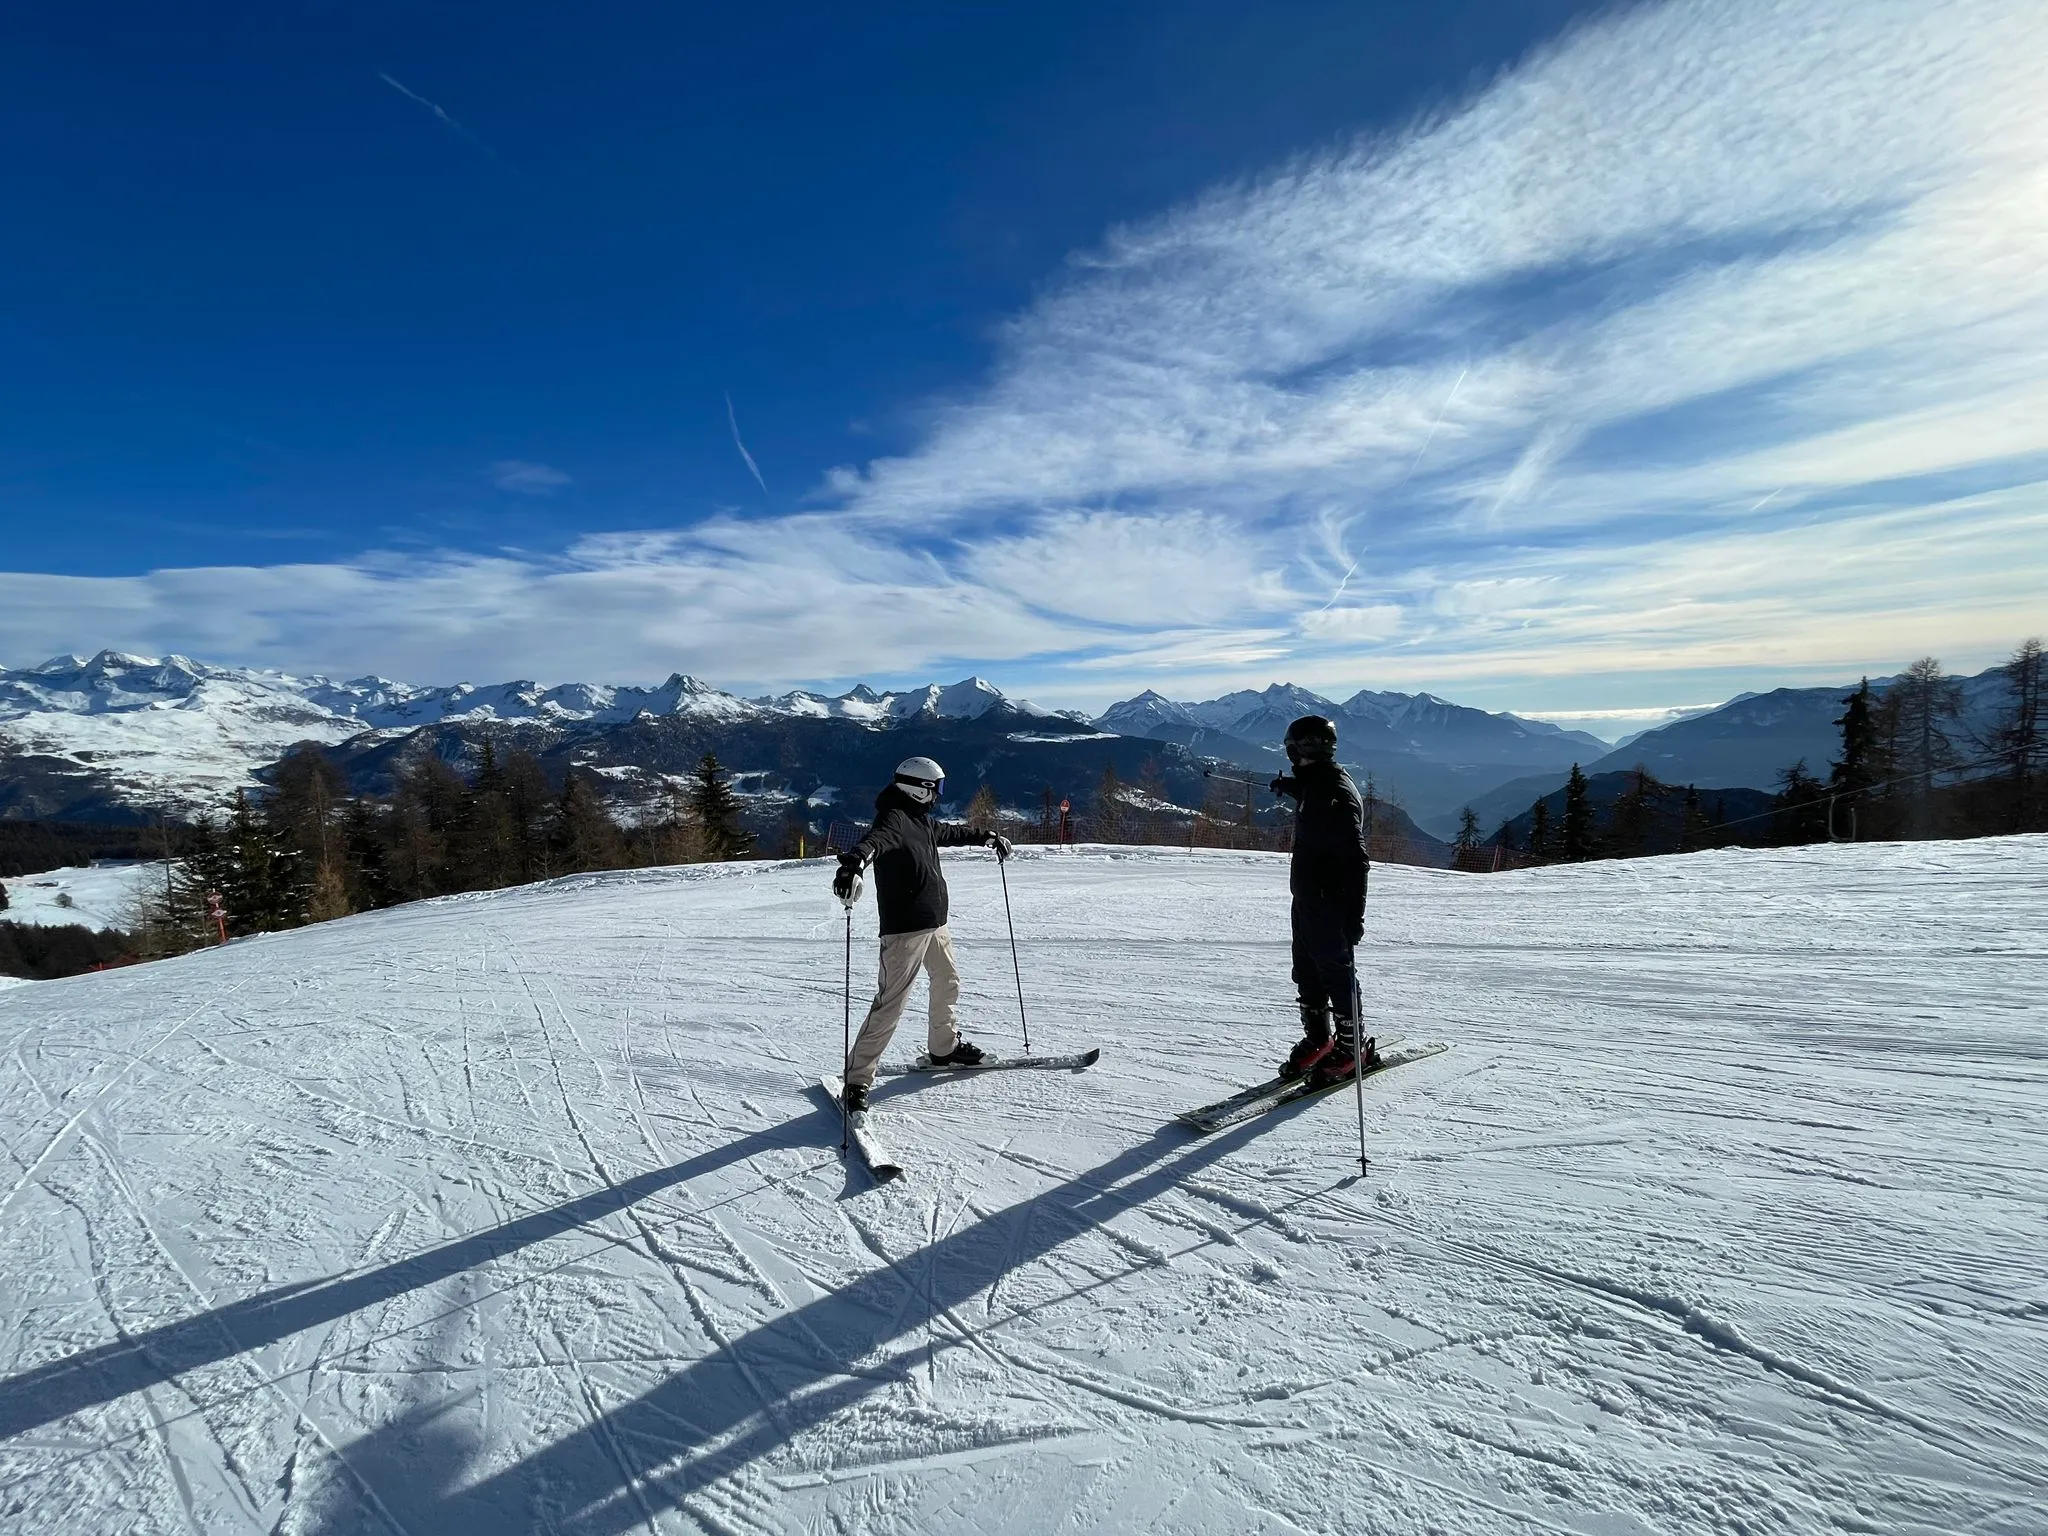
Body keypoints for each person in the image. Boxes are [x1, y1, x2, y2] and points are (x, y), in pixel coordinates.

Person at [832, 756, 1013, 1113]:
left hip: (935, 924)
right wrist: (852, 868)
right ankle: (856, 1080)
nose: (939, 796)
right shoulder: (894, 819)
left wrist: (987, 837)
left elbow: (949, 833)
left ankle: (944, 1049)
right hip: (905, 931)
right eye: (936, 789)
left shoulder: (919, 819)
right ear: (919, 789)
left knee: (947, 982)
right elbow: (872, 844)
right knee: (890, 1004)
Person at [1269, 715, 1377, 1086]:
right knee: (1306, 970)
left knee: (1335, 972)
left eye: (1291, 749)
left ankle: (1352, 1047)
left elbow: (1356, 860)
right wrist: (1290, 787)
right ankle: (1320, 1038)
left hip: (1330, 902)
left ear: (1299, 749)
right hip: (1307, 898)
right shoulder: (1316, 783)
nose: (1289, 756)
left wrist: (1354, 916)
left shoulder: (1335, 795)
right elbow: (1310, 793)